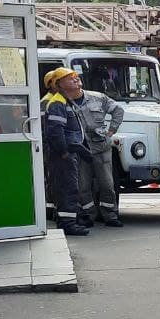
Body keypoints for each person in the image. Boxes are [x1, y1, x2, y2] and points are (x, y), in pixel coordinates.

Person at [41, 68, 91, 236]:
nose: (76, 80)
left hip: (69, 152)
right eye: (70, 78)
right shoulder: (57, 103)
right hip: (64, 154)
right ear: (58, 84)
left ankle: (70, 219)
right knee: (67, 188)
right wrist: (64, 152)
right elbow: (55, 131)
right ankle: (67, 223)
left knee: (68, 187)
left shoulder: (65, 101)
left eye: (76, 77)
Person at [72, 82, 125, 228]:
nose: (75, 82)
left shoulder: (98, 97)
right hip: (81, 149)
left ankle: (110, 215)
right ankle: (89, 215)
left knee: (107, 184)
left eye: (76, 79)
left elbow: (118, 110)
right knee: (83, 186)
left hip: (101, 147)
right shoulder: (64, 101)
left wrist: (111, 130)